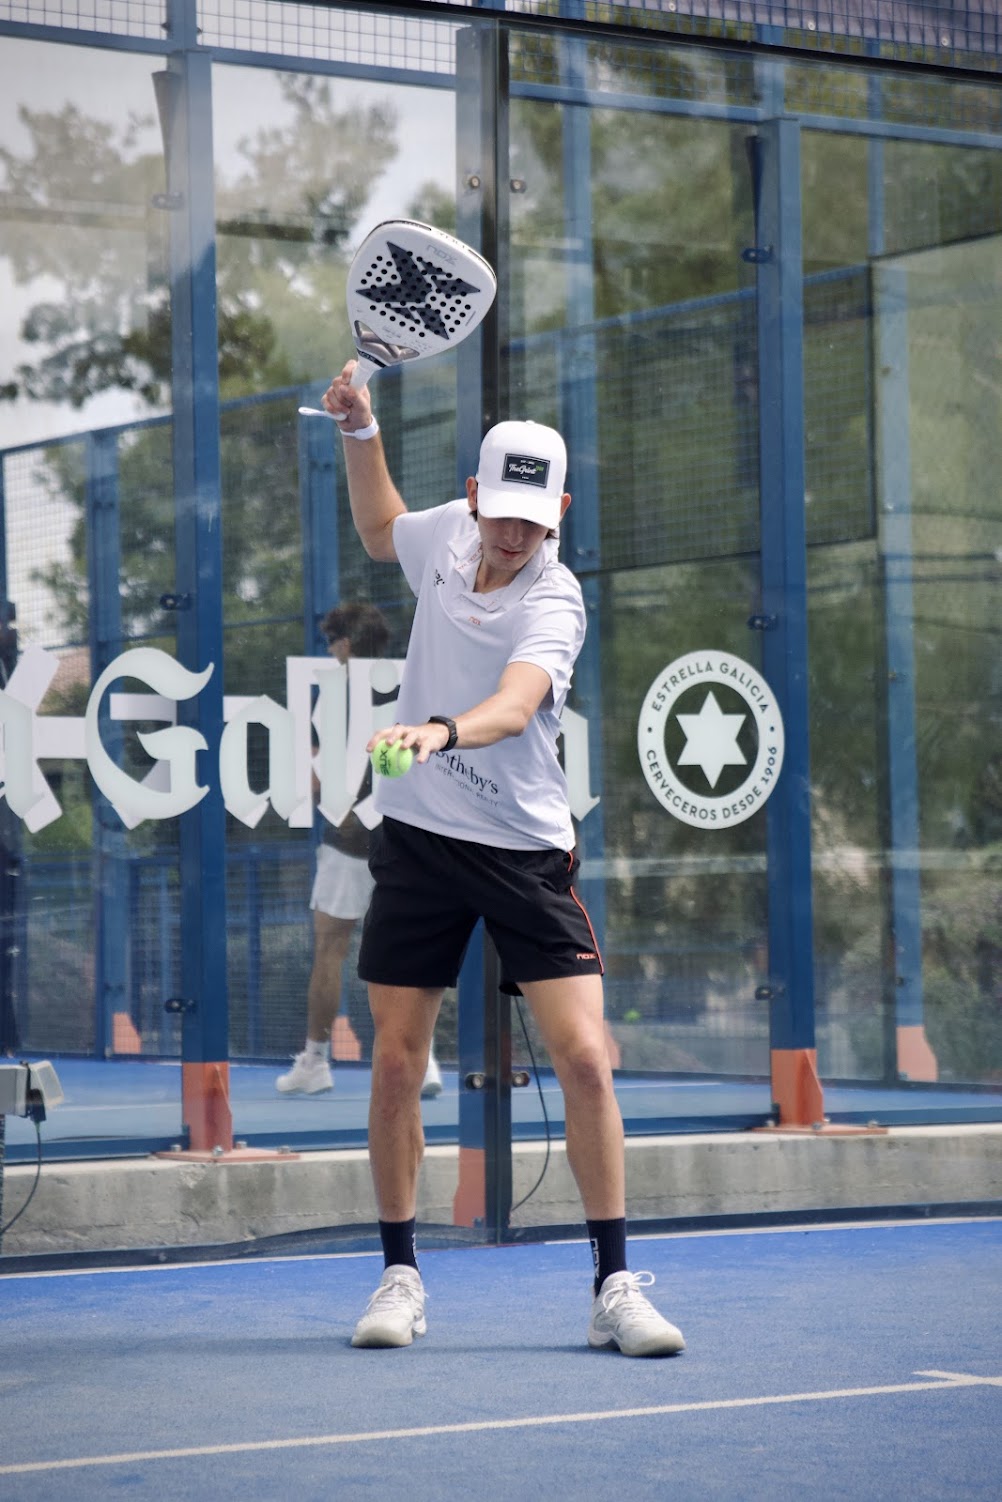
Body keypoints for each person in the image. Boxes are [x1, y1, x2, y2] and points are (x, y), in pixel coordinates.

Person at [321, 363, 685, 1359]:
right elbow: (379, 525)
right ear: (477, 496)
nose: (514, 533)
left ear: (557, 509)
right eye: (501, 512)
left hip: (524, 850)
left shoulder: (556, 598)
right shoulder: (448, 534)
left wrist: (439, 731)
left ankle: (614, 1284)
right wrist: (360, 433)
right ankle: (400, 1272)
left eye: (535, 516)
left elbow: (518, 704)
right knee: (396, 1059)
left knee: (586, 1057)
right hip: (423, 844)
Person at [276, 601, 443, 1100]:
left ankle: (314, 1062)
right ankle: (427, 1061)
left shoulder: (329, 696)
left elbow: (309, 774)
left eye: (331, 643)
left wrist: (344, 811)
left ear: (344, 645)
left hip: (349, 843)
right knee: (411, 955)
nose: (330, 651)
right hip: (404, 840)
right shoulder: (411, 691)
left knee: (330, 950)